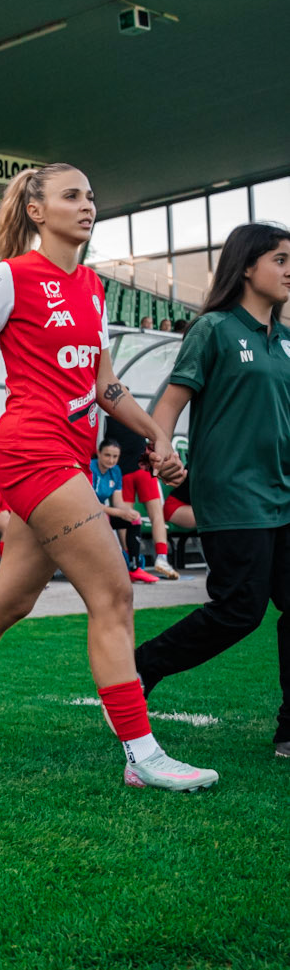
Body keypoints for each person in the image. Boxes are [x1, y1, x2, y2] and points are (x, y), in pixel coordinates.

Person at [0, 162, 216, 790]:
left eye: (90, 194)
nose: (88, 205)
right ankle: (142, 755)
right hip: (33, 452)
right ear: (36, 210)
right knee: (114, 593)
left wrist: (155, 431)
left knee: (11, 599)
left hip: (71, 453)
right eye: (71, 196)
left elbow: (105, 385)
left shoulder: (92, 285)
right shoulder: (9, 277)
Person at [133, 222, 290, 753]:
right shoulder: (215, 329)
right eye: (281, 259)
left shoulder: (287, 340)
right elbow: (170, 406)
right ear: (247, 266)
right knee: (240, 611)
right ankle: (142, 666)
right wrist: (165, 451)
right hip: (233, 494)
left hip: (285, 493)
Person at [102, 414, 179, 579]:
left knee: (126, 517)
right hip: (143, 469)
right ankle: (162, 558)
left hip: (124, 471)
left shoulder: (105, 419)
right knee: (156, 514)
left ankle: (130, 561)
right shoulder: (134, 413)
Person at [90, 439, 155, 581]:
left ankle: (134, 568)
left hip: (102, 513)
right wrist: (120, 512)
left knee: (134, 519)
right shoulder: (91, 468)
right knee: (103, 518)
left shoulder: (116, 471)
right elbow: (89, 503)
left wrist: (129, 511)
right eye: (107, 455)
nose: (111, 460)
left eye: (115, 457)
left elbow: (118, 502)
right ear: (99, 453)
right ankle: (104, 569)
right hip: (86, 514)